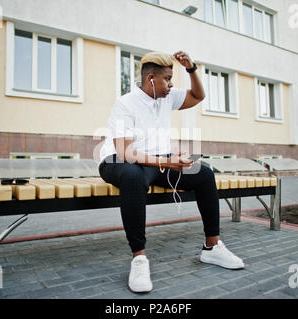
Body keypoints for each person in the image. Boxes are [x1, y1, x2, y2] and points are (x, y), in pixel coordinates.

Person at [98, 51, 244, 293]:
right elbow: (125, 153)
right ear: (151, 79)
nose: (171, 84)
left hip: (156, 161)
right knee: (133, 177)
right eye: (167, 78)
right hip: (119, 161)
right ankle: (139, 258)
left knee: (204, 174)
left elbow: (198, 95)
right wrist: (166, 163)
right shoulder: (125, 103)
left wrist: (192, 69)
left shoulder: (166, 97)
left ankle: (212, 247)